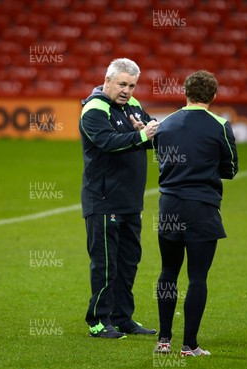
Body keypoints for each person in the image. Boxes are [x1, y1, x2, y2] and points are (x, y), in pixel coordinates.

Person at [152, 71, 238, 356]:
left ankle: (163, 339)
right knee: (197, 277)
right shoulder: (221, 125)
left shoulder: (166, 123)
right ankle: (189, 345)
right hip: (201, 207)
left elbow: (160, 158)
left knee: (168, 271)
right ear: (213, 96)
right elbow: (231, 169)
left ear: (185, 93)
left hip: (170, 206)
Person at [79, 58, 159, 339]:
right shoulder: (94, 109)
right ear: (108, 81)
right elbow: (107, 143)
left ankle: (123, 318)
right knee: (105, 264)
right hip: (103, 200)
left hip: (130, 200)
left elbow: (150, 135)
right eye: (122, 84)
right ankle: (98, 321)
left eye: (132, 85)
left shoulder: (134, 106)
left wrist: (152, 131)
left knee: (128, 262)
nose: (127, 90)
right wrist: (140, 135)